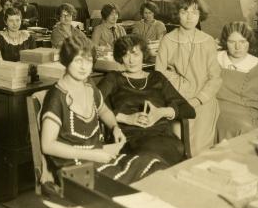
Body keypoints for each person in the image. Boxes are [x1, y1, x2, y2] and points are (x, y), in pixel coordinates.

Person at [40, 35, 166, 185]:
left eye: (88, 61)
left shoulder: (89, 87)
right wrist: (93, 155)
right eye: (78, 60)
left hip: (97, 156)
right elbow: (47, 145)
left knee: (155, 166)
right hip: (73, 168)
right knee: (137, 183)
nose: (84, 67)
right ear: (66, 61)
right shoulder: (56, 96)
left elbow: (104, 111)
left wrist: (115, 127)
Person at [98, 35, 195, 166]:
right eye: (126, 55)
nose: (131, 60)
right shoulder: (113, 78)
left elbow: (188, 110)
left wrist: (161, 112)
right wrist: (126, 118)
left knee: (156, 155)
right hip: (128, 138)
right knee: (147, 159)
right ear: (120, 58)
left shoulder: (157, 78)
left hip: (161, 137)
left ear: (144, 54)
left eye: (135, 54)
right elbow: (90, 103)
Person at [155, 0, 221, 156]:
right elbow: (159, 74)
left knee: (202, 152)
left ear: (200, 15)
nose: (190, 17)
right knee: (180, 148)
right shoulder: (168, 40)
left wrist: (198, 99)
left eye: (194, 12)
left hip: (204, 102)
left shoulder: (208, 41)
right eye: (184, 12)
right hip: (178, 100)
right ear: (177, 14)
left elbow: (215, 78)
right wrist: (181, 86)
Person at [216, 22, 258, 141]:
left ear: (249, 42)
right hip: (214, 113)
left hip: (245, 120)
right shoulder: (214, 61)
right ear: (225, 42)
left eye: (242, 42)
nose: (238, 47)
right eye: (232, 42)